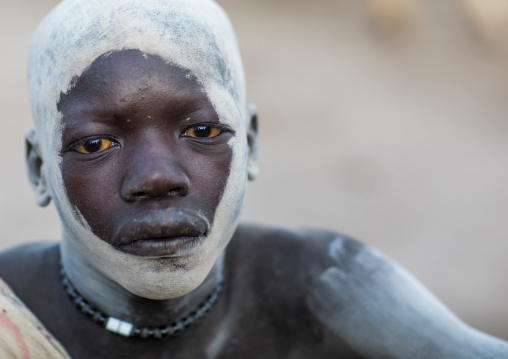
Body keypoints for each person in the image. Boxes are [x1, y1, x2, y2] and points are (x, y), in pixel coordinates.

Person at [0, 0, 507, 358]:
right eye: (94, 144)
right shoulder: (11, 311)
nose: (157, 178)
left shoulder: (326, 288)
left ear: (252, 145)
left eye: (202, 130)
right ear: (39, 169)